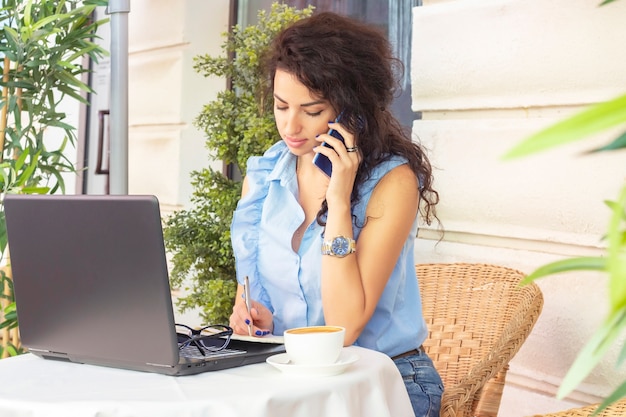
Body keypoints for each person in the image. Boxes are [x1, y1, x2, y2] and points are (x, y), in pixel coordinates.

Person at [229, 11, 443, 417]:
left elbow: (346, 326)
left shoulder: (392, 183)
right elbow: (253, 298)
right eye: (280, 106)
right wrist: (250, 316)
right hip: (293, 380)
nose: (290, 126)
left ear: (351, 110)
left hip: (383, 382)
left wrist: (340, 201)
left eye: (312, 111)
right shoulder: (263, 178)